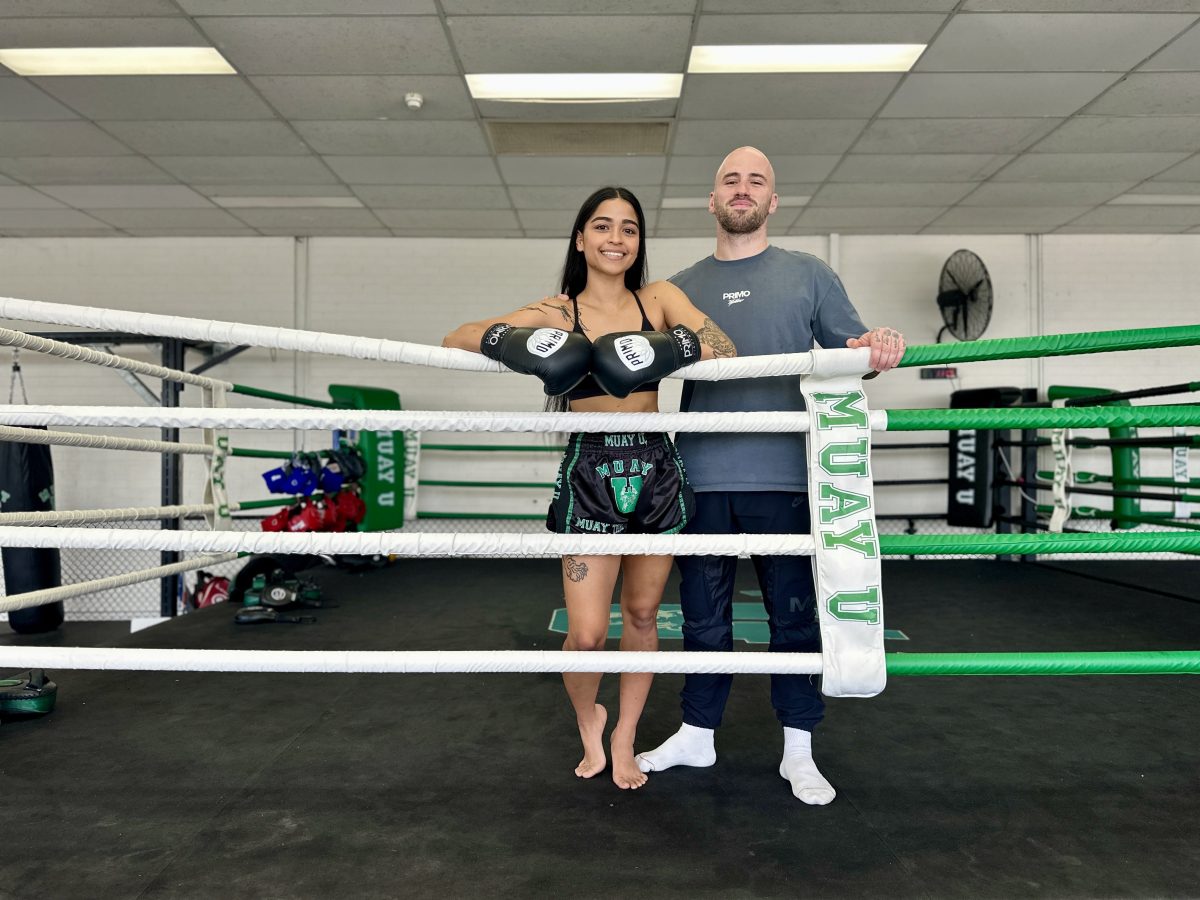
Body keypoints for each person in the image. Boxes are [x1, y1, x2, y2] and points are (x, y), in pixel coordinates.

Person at [633, 147, 906, 805]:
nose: (743, 188)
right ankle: (698, 733)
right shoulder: (677, 287)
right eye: (730, 178)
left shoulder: (808, 274)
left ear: (773, 201)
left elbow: (854, 353)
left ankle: (799, 750)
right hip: (700, 475)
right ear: (713, 199)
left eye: (757, 180)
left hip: (787, 475)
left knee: (793, 618)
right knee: (702, 618)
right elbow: (630, 356)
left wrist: (880, 348)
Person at [442, 186, 736, 790]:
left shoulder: (659, 299)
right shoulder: (556, 312)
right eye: (602, 227)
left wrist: (664, 348)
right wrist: (516, 344)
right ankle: (589, 718)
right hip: (590, 474)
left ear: (639, 243)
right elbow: (458, 337)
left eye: (628, 229)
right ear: (581, 238)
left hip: (655, 470)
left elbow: (725, 344)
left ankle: (625, 735)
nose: (616, 239)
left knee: (644, 613)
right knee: (586, 634)